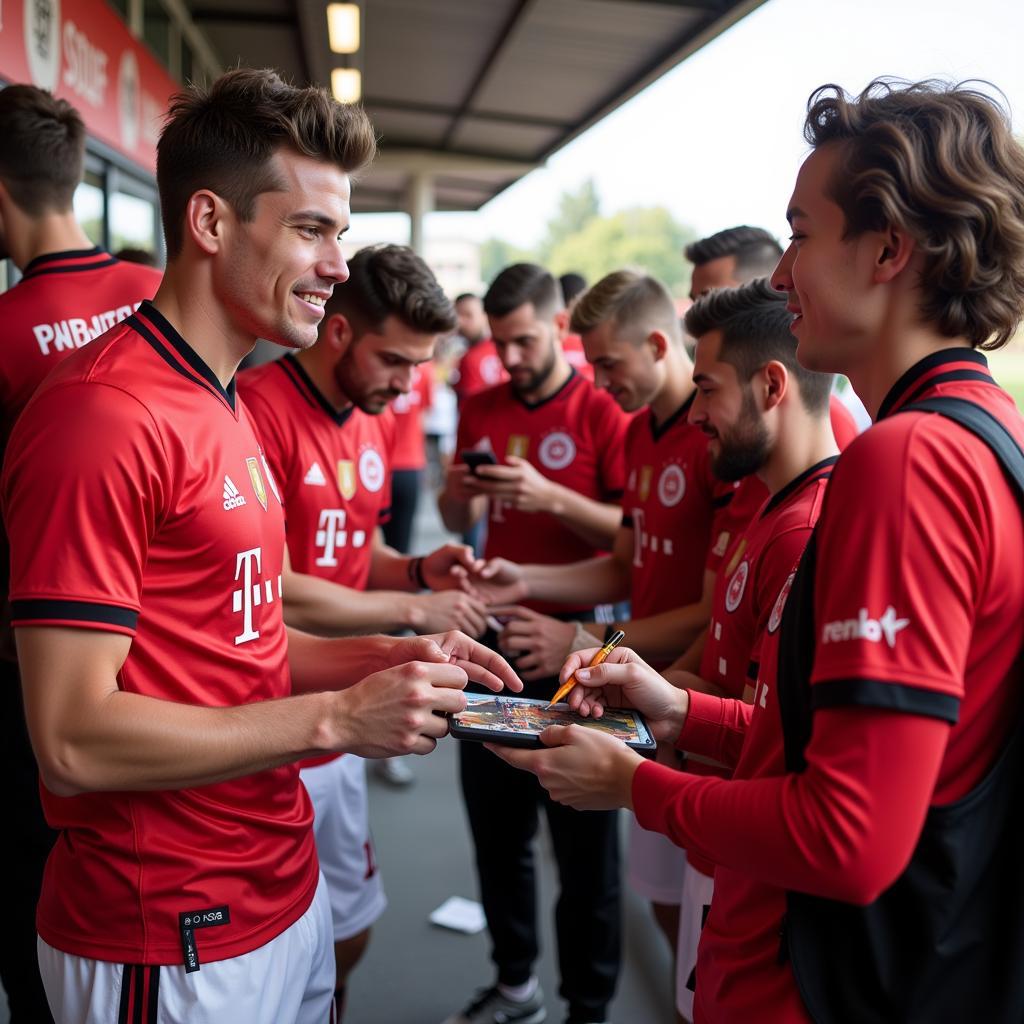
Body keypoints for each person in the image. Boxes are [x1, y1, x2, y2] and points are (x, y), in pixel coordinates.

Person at [489, 78, 1024, 1023]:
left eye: (801, 235)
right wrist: (680, 712)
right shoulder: (984, 429)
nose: (779, 277)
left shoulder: (907, 459)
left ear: (890, 249)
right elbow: (834, 754)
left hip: (814, 983)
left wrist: (639, 787)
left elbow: (849, 836)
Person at [2, 68, 520, 1024]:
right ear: (209, 223)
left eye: (340, 234)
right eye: (311, 230)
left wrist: (389, 659)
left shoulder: (221, 393)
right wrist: (338, 719)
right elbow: (71, 738)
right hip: (167, 932)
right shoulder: (101, 415)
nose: (336, 265)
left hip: (274, 889)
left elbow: (233, 652)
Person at [462, 268, 749, 1023]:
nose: (598, 380)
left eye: (610, 365)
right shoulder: (639, 430)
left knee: (615, 871)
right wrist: (520, 579)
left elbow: (716, 606)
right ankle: (525, 985)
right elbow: (627, 563)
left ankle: (588, 1005)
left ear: (660, 344)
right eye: (590, 364)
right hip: (647, 681)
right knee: (662, 897)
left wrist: (586, 636)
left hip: (684, 697)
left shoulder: (716, 440)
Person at [238, 241, 489, 1012]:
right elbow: (267, 585)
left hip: (351, 711)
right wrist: (412, 609)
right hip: (270, 710)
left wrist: (419, 570)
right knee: (268, 946)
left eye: (419, 365)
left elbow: (361, 552)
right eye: (395, 361)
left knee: (348, 926)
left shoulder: (372, 417)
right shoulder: (255, 409)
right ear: (339, 332)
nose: (408, 384)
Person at [0, 83, 164, 1024]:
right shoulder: (156, 299)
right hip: (170, 655)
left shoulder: (7, 327)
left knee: (40, 886)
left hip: (38, 656)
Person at [439, 263, 630, 1024]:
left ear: (557, 327)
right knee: (497, 829)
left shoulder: (602, 409)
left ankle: (588, 1006)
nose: (509, 359)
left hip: (583, 656)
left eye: (523, 341)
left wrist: (549, 497)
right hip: (493, 645)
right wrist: (460, 494)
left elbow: (635, 541)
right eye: (500, 341)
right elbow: (457, 522)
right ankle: (515, 984)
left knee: (586, 851)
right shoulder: (479, 402)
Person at [686, 225, 867, 439]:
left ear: (767, 289)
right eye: (695, 301)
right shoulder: (718, 415)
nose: (702, 310)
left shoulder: (828, 422)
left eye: (711, 297)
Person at [450, 292, 507, 405]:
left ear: (485, 316)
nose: (461, 322)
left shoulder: (470, 358)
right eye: (457, 316)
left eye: (468, 315)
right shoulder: (504, 346)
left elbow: (469, 407)